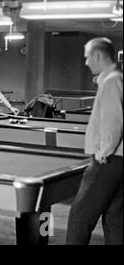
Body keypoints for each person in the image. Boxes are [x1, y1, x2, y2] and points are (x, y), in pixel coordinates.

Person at [66, 38, 123, 245]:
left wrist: (102, 154)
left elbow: (113, 122)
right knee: (115, 217)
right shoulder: (115, 78)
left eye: (87, 57)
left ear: (98, 56)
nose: (86, 62)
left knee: (79, 216)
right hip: (120, 161)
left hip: (109, 160)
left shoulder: (111, 82)